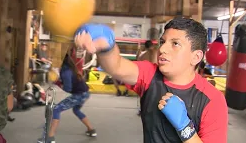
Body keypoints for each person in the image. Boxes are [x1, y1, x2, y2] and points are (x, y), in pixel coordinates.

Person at [74, 18, 228, 143]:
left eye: (175, 44)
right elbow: (117, 67)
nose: (162, 49)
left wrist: (185, 126)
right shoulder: (151, 74)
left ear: (196, 57)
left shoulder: (212, 100)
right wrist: (106, 47)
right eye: (163, 42)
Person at [45, 53, 96, 143]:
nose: (51, 60)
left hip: (79, 95)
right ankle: (91, 130)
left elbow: (68, 88)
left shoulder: (66, 72)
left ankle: (50, 137)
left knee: (56, 109)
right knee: (76, 110)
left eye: (54, 59)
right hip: (85, 93)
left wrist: (58, 84)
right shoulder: (69, 68)